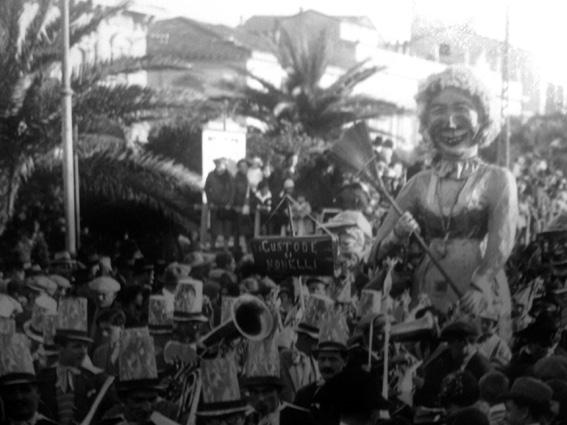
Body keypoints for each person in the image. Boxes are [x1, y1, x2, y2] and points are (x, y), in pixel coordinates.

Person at [371, 66, 518, 340]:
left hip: (477, 294)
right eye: (438, 111)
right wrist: (397, 235)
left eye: (461, 108)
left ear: (483, 117)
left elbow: (502, 242)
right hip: (427, 293)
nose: (450, 122)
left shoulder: (498, 179)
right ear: (427, 121)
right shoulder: (418, 183)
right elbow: (376, 251)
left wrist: (480, 284)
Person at [414, 320, 491, 408]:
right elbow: (440, 386)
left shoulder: (483, 367)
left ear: (464, 342)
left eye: (451, 342)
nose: (448, 346)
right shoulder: (451, 359)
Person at [205, 158, 234, 249]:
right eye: (218, 164)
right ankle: (212, 247)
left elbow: (233, 191)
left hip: (226, 206)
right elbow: (206, 189)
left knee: (227, 228)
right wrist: (210, 202)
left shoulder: (229, 176)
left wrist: (230, 203)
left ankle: (226, 248)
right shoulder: (211, 175)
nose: (219, 166)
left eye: (221, 164)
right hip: (215, 205)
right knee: (214, 228)